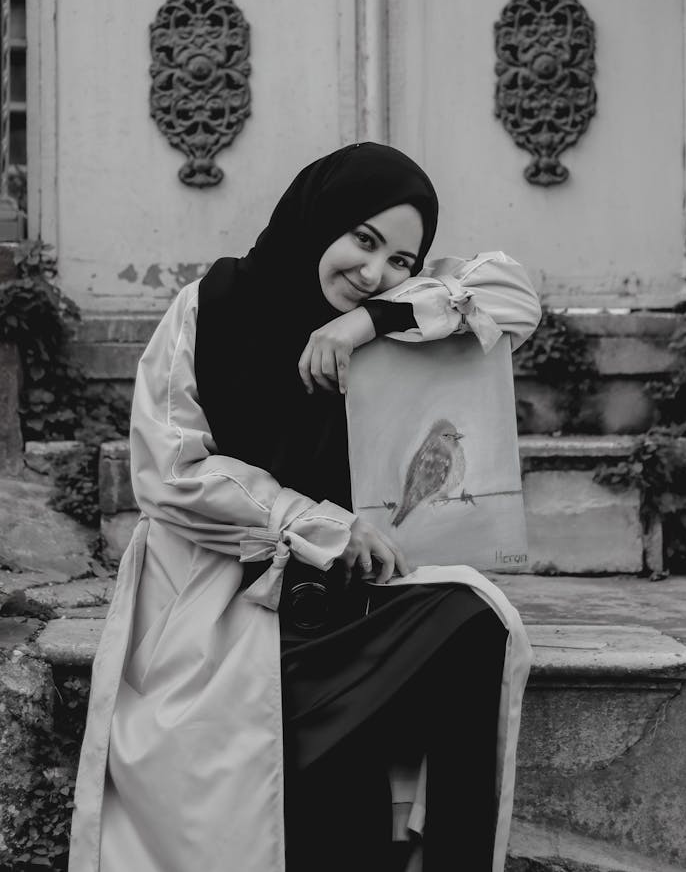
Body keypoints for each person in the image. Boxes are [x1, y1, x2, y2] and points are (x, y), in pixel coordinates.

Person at [69, 143, 541, 872]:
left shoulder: (395, 324)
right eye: (363, 238)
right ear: (320, 217)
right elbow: (168, 471)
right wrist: (316, 522)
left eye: (400, 259)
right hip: (223, 610)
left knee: (476, 620)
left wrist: (367, 323)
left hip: (341, 606)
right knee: (310, 783)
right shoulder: (210, 308)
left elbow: (515, 294)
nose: (374, 271)